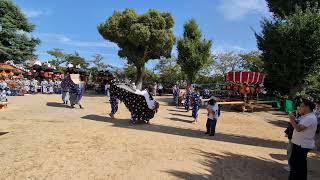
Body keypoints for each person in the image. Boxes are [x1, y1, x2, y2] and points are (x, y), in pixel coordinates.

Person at [288, 99, 318, 180]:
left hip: (302, 145)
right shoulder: (305, 116)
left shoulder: (310, 118)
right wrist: (295, 119)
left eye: (301, 106)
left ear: (307, 107)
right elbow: (299, 124)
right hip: (299, 144)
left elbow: (298, 128)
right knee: (298, 165)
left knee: (296, 166)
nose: (299, 108)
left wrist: (292, 119)